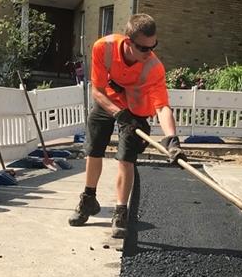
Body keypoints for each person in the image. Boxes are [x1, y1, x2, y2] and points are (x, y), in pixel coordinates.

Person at [68, 13, 185, 238]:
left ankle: (121, 211)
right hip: (108, 101)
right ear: (129, 42)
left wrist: (172, 140)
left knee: (126, 158)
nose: (149, 52)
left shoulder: (154, 67)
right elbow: (97, 90)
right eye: (144, 48)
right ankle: (88, 199)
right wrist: (118, 113)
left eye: (154, 46)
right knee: (93, 151)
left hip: (136, 109)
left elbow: (162, 107)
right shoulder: (105, 48)